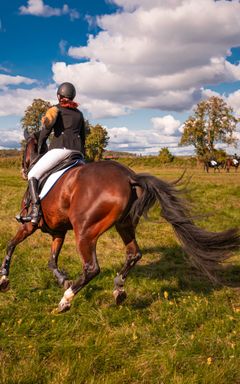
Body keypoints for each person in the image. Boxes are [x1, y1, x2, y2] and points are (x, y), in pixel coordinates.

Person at [20, 82, 86, 225]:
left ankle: (35, 211)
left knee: (33, 174)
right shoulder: (79, 114)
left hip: (60, 151)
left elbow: (45, 133)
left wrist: (38, 149)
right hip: (77, 154)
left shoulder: (55, 110)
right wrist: (83, 154)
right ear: (72, 96)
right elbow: (83, 137)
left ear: (58, 95)